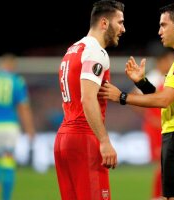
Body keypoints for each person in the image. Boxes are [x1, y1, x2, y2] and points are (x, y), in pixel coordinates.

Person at [99, 3, 174, 200]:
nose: (159, 31)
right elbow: (170, 97)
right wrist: (142, 82)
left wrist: (122, 97)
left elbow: (165, 99)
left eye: (163, 25)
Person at [53, 0, 125, 200]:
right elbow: (87, 98)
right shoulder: (96, 51)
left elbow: (67, 100)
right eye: (120, 22)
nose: (123, 29)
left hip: (63, 138)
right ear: (104, 23)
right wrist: (104, 141)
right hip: (84, 138)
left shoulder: (72, 50)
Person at [0, 53, 35, 200]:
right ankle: (6, 197)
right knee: (8, 161)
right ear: (12, 66)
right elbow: (23, 108)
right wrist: (30, 129)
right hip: (10, 126)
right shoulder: (17, 81)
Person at [131, 47, 174, 200]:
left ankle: (164, 195)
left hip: (165, 127)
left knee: (168, 164)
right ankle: (157, 196)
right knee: (162, 164)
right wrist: (150, 118)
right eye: (170, 60)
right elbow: (134, 98)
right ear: (161, 61)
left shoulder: (167, 78)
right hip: (156, 128)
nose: (172, 63)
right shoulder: (154, 78)